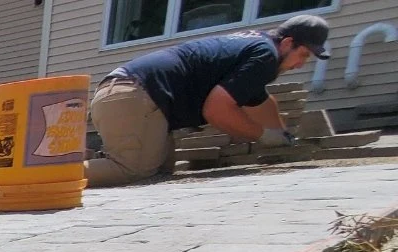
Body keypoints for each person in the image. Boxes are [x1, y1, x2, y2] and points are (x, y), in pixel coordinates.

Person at [86, 14, 330, 188]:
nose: (301, 64)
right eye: (303, 55)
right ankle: (52, 173)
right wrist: (262, 135)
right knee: (133, 170)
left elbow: (261, 101)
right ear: (287, 43)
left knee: (159, 172)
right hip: (132, 96)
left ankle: (68, 164)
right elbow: (216, 110)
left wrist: (284, 137)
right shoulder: (265, 55)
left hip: (130, 97)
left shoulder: (256, 48)